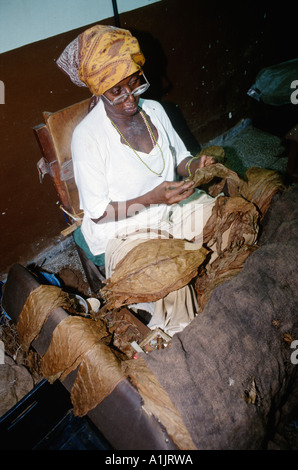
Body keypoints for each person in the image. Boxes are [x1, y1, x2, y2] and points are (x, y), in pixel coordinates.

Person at [57, 25, 216, 335]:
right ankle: (178, 335)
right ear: (99, 90)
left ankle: (212, 289)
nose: (130, 97)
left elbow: (180, 159)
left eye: (134, 83)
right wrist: (153, 198)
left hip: (169, 209)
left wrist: (197, 164)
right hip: (123, 229)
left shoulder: (154, 110)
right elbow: (99, 213)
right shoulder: (88, 137)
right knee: (168, 275)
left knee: (222, 218)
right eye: (117, 90)